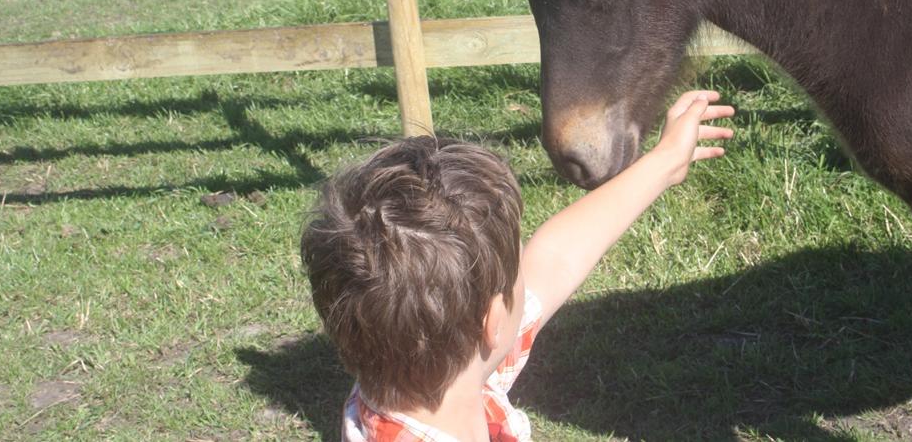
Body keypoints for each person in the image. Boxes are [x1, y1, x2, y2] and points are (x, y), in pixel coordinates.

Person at [301, 90, 734, 442]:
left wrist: (664, 163)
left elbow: (557, 256)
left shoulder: (423, 378)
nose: (528, 276)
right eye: (516, 278)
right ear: (493, 322)